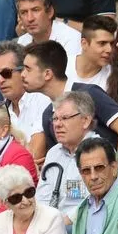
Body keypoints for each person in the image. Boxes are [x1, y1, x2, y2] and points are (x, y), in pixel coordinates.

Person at [0, 0, 83, 103]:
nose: (30, 18)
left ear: (50, 12)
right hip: (28, 98)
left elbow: (66, 83)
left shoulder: (70, 38)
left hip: (60, 100)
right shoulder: (23, 41)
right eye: (24, 12)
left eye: (35, 10)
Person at [24, 41, 118, 149]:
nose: (22, 74)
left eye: (28, 69)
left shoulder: (90, 93)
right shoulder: (47, 115)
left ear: (47, 74)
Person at [36, 91, 98, 219]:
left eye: (64, 118)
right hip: (49, 224)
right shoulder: (54, 153)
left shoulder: (98, 151)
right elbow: (42, 197)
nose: (57, 124)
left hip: (80, 224)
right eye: (55, 119)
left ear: (85, 121)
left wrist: (60, 223)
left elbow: (95, 202)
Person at [0, 44, 47, 165]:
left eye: (6, 73)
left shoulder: (42, 100)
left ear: (24, 71)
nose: (0, 80)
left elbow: (35, 154)